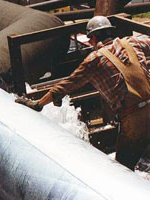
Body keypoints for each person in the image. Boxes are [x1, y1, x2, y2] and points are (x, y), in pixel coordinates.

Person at [15, 16, 150, 171]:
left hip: (134, 121)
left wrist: (38, 103)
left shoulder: (94, 60)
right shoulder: (132, 42)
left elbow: (66, 85)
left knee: (122, 172)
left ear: (92, 38)